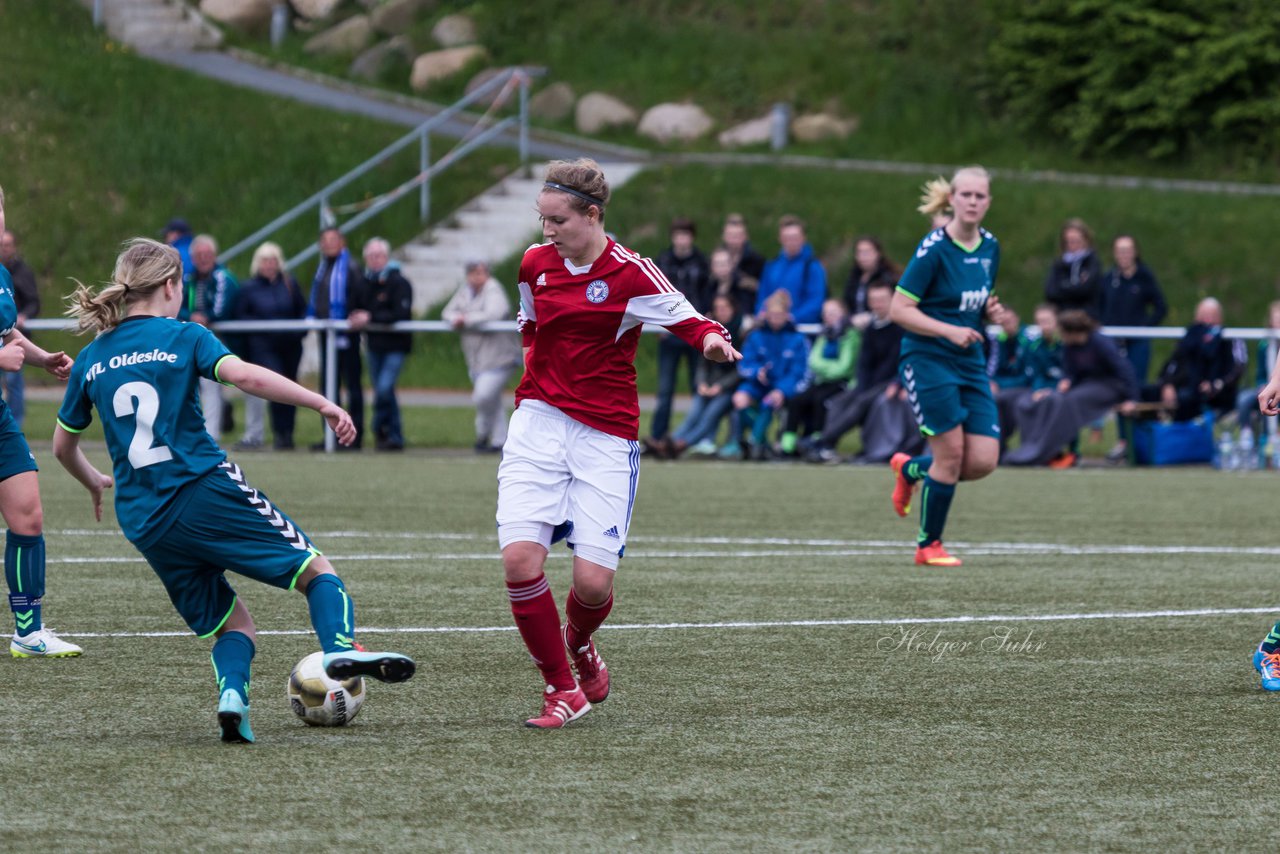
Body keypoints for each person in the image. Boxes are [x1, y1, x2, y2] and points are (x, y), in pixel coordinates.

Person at [53, 237, 416, 743]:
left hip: (143, 519)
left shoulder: (92, 357)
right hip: (202, 490)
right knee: (315, 570)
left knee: (232, 626)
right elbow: (245, 376)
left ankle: (233, 700)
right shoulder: (185, 336)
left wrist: (92, 479)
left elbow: (61, 447)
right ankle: (338, 647)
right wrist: (322, 404)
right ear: (170, 285)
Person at [499, 159, 738, 728]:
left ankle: (578, 642)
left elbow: (693, 320)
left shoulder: (631, 273)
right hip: (538, 422)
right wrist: (535, 361)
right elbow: (529, 320)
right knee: (519, 561)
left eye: (557, 220)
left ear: (592, 214)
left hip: (605, 436)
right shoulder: (535, 264)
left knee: (591, 582)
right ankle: (562, 689)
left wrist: (713, 344)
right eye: (541, 219)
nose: (546, 231)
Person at [888, 166, 1008, 567]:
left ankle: (910, 470)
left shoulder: (991, 247)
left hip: (968, 360)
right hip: (927, 359)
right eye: (967, 195)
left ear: (989, 202)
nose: (973, 201)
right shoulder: (933, 249)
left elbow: (976, 305)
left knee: (982, 461)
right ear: (952, 199)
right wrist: (947, 331)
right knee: (952, 455)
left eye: (981, 196)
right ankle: (928, 545)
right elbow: (898, 310)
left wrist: (994, 315)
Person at [0, 185, 81, 659]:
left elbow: (8, 332)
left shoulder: (2, 275)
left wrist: (40, 357)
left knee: (28, 514)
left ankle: (28, 633)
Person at [1004, 310, 1137, 467]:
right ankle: (1039, 448)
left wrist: (1132, 399)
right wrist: (1067, 381)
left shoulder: (1100, 342)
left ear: (1073, 332)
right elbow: (1070, 371)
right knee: (1055, 400)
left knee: (1070, 401)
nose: (1061, 336)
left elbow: (1124, 369)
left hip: (1111, 386)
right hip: (1085, 385)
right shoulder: (1070, 346)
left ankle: (1047, 451)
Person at [806, 281, 905, 463]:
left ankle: (823, 441)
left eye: (882, 300)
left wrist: (893, 384)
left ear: (892, 300)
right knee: (838, 402)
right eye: (873, 300)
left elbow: (896, 363)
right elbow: (864, 363)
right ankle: (828, 448)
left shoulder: (900, 328)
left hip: (889, 383)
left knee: (861, 402)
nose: (877, 304)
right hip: (870, 383)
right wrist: (862, 384)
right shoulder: (870, 328)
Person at [1100, 234, 1169, 461]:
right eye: (1119, 250)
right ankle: (1123, 440)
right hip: (1115, 343)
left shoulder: (1144, 277)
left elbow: (1160, 307)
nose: (1124, 255)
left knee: (1135, 387)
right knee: (1118, 388)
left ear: (1135, 252)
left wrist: (1144, 328)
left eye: (1127, 250)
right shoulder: (1110, 278)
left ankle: (1137, 442)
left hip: (1137, 343)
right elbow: (1100, 307)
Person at [442, 260, 522, 453]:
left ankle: (483, 433)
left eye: (480, 272)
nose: (476, 277)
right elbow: (447, 312)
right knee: (491, 399)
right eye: (472, 273)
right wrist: (455, 318)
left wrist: (466, 319)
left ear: (487, 274)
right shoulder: (465, 291)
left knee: (483, 395)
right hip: (477, 358)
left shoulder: (493, 289)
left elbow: (494, 313)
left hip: (501, 356)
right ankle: (499, 441)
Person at [647, 218, 712, 451]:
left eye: (686, 234)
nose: (682, 239)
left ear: (691, 237)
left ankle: (697, 437)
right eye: (678, 234)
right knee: (665, 390)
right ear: (673, 237)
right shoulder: (662, 261)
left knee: (699, 386)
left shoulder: (702, 262)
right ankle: (657, 437)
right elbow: (652, 295)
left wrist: (703, 325)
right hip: (669, 334)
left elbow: (707, 296)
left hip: (694, 333)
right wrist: (659, 325)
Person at [235, 242, 307, 450]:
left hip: (290, 345)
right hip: (264, 347)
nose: (269, 265)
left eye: (273, 260)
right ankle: (278, 433)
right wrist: (262, 329)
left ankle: (288, 433)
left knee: (292, 386)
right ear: (258, 263)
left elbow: (301, 310)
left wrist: (298, 331)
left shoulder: (289, 284)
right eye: (265, 261)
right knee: (277, 385)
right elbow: (241, 315)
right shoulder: (249, 288)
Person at [1135, 297, 1246, 423]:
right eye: (1202, 315)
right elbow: (1172, 364)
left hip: (1209, 392)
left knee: (1186, 399)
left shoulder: (1228, 338)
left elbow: (1238, 368)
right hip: (1179, 386)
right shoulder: (1189, 337)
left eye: (1210, 315)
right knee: (1138, 393)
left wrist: (1216, 385)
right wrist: (1167, 384)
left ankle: (1178, 437)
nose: (1205, 320)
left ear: (1219, 318)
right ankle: (1143, 438)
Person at [730, 290, 810, 460]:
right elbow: (744, 364)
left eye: (779, 315)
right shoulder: (755, 337)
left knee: (769, 401)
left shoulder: (797, 339)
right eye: (771, 315)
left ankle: (753, 442)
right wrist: (757, 372)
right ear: (765, 314)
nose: (775, 319)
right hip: (758, 384)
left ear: (787, 315)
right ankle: (762, 443)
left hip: (782, 386)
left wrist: (782, 390)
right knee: (739, 399)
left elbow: (800, 372)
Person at [307, 227, 367, 450]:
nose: (329, 244)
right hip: (327, 336)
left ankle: (354, 437)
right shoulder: (322, 268)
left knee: (352, 385)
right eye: (325, 240)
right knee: (328, 386)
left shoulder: (351, 267)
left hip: (347, 337)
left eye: (334, 239)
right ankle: (332, 437)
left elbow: (360, 298)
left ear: (342, 242)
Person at [350, 238, 413, 452]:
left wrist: (370, 317)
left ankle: (378, 426)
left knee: (384, 389)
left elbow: (399, 313)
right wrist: (357, 315)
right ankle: (394, 436)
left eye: (379, 256)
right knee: (384, 391)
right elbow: (355, 305)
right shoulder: (363, 282)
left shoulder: (399, 282)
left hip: (395, 346)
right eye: (371, 256)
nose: (375, 260)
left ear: (386, 258)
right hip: (374, 346)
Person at [663, 294, 743, 458]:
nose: (721, 312)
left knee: (710, 414)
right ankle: (669, 443)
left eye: (724, 308)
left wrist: (720, 387)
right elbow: (702, 363)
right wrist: (702, 383)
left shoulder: (742, 333)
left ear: (733, 309)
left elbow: (741, 369)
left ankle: (681, 445)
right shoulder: (710, 331)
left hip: (729, 388)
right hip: (709, 385)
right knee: (693, 414)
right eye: (717, 308)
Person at [779, 298, 857, 457]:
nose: (829, 316)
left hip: (842, 383)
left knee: (820, 401)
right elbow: (813, 360)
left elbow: (844, 367)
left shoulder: (851, 335)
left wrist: (824, 367)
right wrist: (828, 367)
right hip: (822, 381)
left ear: (843, 313)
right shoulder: (824, 334)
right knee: (796, 400)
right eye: (826, 313)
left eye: (833, 312)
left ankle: (817, 443)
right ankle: (787, 445)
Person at [181, 234, 239, 443]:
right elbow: (179, 307)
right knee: (204, 385)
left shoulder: (224, 278)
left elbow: (220, 311)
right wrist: (191, 317)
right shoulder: (188, 280)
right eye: (199, 255)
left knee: (222, 383)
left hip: (226, 341)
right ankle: (208, 433)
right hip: (197, 339)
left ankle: (216, 433)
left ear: (214, 256)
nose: (203, 259)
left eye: (207, 254)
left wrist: (205, 318)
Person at [754, 215, 827, 325]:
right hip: (771, 328)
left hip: (801, 329)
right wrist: (763, 314)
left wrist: (792, 318)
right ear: (780, 239)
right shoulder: (772, 265)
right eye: (787, 238)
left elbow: (816, 301)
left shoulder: (812, 267)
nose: (791, 242)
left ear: (803, 238)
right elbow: (763, 296)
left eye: (795, 237)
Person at [0, 229, 40, 429]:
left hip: (14, 341)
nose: (4, 248)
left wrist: (45, 359)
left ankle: (15, 423)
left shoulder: (19, 272)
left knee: (14, 385)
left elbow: (34, 302)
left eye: (7, 244)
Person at [1233, 301, 1280, 459]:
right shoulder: (1264, 345)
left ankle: (1270, 443)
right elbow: (1260, 373)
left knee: (1273, 408)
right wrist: (1263, 385)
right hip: (1268, 388)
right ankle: (1247, 437)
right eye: (1276, 320)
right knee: (1244, 400)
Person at [1044, 218, 1102, 317]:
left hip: (1086, 318)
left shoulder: (1092, 262)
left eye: (1076, 241)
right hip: (1062, 317)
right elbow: (1051, 292)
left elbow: (1087, 290)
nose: (1073, 245)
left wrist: (1064, 286)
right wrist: (1075, 287)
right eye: (1069, 241)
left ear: (1086, 240)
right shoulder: (1059, 264)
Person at [843, 235, 899, 329]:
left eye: (867, 252)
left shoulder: (888, 278)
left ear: (878, 253)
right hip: (855, 327)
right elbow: (847, 303)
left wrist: (870, 317)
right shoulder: (854, 278)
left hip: (881, 327)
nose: (863, 257)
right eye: (859, 252)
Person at [719, 213, 765, 312]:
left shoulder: (756, 260)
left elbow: (766, 288)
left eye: (737, 235)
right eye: (730, 235)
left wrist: (752, 284)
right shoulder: (716, 259)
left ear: (745, 237)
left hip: (747, 312)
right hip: (720, 313)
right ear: (724, 236)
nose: (733, 240)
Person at [708, 246, 755, 322]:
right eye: (718, 264)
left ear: (732, 264)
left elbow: (747, 313)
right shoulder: (709, 287)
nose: (722, 267)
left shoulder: (743, 285)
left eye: (725, 263)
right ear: (712, 267)